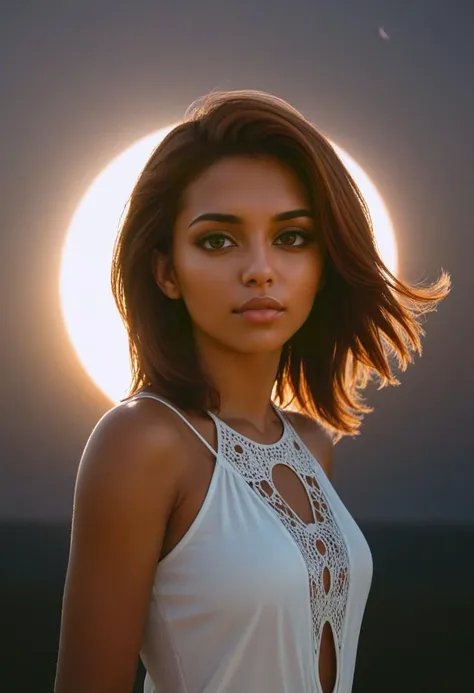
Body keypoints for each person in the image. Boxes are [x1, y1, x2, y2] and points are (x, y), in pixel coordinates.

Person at [54, 89, 450, 693]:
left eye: (292, 238)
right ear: (167, 272)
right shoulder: (142, 443)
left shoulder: (312, 444)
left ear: (324, 262)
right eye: (218, 240)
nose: (260, 268)